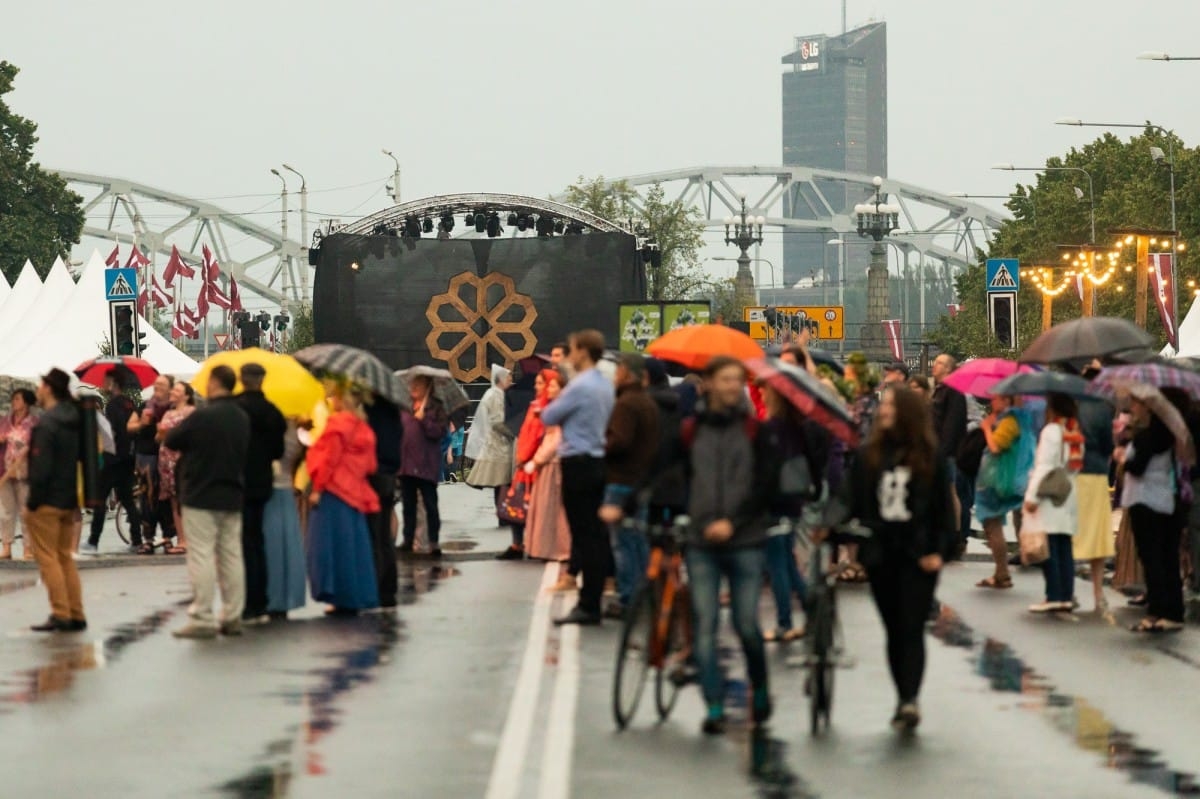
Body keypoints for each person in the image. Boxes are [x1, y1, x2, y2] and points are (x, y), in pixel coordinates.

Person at [829, 386, 955, 731]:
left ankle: (909, 698)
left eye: (889, 405)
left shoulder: (929, 457)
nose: (883, 410)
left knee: (911, 627)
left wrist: (938, 551)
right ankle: (903, 692)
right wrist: (833, 525)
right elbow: (850, 498)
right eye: (883, 404)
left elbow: (944, 512)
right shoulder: (871, 454)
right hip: (881, 553)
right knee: (893, 629)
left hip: (918, 555)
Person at [683, 356, 780, 734]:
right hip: (701, 540)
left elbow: (764, 487)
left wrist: (734, 521)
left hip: (745, 540)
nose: (730, 387)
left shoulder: (757, 433)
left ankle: (760, 685)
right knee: (705, 623)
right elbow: (672, 473)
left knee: (745, 624)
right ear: (707, 383)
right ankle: (713, 704)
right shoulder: (691, 431)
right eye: (723, 379)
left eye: (736, 380)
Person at [166, 365, 250, 639]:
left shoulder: (203, 416)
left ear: (214, 383)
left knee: (201, 554)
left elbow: (173, 439)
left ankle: (202, 616)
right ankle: (233, 614)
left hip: (201, 492)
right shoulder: (241, 417)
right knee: (231, 555)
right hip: (233, 493)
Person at [543, 330, 615, 626]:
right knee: (596, 534)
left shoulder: (579, 385)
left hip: (577, 462)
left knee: (583, 535)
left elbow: (549, 416)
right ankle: (594, 596)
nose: (569, 356)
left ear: (583, 352)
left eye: (572, 350)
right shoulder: (605, 384)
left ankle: (589, 604)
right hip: (599, 460)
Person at [760, 378, 830, 642]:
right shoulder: (800, 428)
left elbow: (764, 471)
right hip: (794, 501)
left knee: (778, 563)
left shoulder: (771, 429)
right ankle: (814, 611)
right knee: (787, 561)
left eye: (765, 390)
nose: (762, 394)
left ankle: (785, 621)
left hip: (775, 503)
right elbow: (812, 464)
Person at [306, 382, 380, 614]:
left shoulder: (337, 424)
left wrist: (317, 489)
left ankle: (339, 595)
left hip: (334, 490)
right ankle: (356, 595)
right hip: (355, 491)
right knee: (354, 546)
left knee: (331, 547)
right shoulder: (363, 427)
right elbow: (370, 465)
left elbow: (328, 459)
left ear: (342, 398)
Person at [24, 369, 87, 632]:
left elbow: (41, 468)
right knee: (64, 557)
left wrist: (32, 503)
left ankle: (60, 612)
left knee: (48, 558)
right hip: (67, 497)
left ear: (49, 388)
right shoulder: (74, 420)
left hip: (47, 500)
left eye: (41, 384)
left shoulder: (48, 423)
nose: (38, 389)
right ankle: (75, 612)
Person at [599, 353, 660, 618]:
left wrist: (603, 444)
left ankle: (627, 598)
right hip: (641, 480)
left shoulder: (625, 404)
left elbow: (620, 441)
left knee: (623, 544)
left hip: (622, 480)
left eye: (618, 371)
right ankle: (644, 595)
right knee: (638, 542)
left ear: (626, 373)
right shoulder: (647, 402)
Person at [1122, 393, 1184, 633]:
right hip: (1168, 501)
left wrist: (1122, 459)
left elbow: (1137, 468)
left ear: (1149, 407)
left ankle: (1157, 611)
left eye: (1136, 402)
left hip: (1145, 500)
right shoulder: (1173, 435)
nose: (1133, 407)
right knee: (1168, 558)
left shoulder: (1148, 437)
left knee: (1152, 558)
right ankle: (1173, 611)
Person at [1022, 393, 1083, 614]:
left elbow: (1044, 466)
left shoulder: (1051, 431)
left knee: (1050, 547)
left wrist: (1031, 497)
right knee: (1064, 546)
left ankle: (1054, 594)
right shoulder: (1074, 429)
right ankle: (1066, 594)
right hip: (1068, 492)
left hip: (1049, 494)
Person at [236, 363, 287, 624]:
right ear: (262, 380)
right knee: (259, 540)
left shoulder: (235, 409)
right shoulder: (272, 413)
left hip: (239, 480)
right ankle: (262, 600)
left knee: (244, 542)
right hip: (263, 481)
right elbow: (278, 452)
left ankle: (247, 603)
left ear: (241, 380)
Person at [975, 394, 1033, 589]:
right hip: (1003, 478)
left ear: (1007, 400)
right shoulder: (1013, 419)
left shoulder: (1010, 421)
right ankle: (1001, 572)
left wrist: (986, 429)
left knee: (992, 523)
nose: (992, 401)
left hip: (998, 479)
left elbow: (996, 447)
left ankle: (1002, 572)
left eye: (997, 398)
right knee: (993, 522)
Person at [83, 369, 142, 555]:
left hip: (113, 459)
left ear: (113, 383)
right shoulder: (129, 403)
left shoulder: (113, 406)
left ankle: (93, 540)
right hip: (127, 459)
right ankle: (137, 539)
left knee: (100, 499)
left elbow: (113, 432)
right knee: (128, 500)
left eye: (106, 380)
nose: (103, 383)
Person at [1075, 375, 1117, 612]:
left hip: (1075, 471)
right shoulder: (1102, 409)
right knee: (1098, 534)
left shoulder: (1073, 405)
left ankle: (1066, 590)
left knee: (1073, 531)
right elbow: (1108, 445)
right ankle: (1098, 591)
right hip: (1098, 472)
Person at [523, 370, 573, 565]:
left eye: (553, 385)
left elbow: (555, 438)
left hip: (553, 464)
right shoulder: (552, 407)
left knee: (553, 509)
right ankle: (550, 547)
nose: (547, 388)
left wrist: (537, 460)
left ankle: (558, 549)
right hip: (550, 462)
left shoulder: (559, 409)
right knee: (549, 509)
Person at [399, 375, 449, 557]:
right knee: (408, 506)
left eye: (418, 384)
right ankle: (407, 539)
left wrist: (424, 419)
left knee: (430, 505)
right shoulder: (405, 406)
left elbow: (440, 432)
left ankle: (434, 542)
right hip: (407, 465)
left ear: (427, 386)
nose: (413, 387)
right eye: (413, 383)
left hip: (426, 464)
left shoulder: (435, 407)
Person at [263, 420, 307, 618]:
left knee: (271, 544)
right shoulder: (296, 431)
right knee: (289, 544)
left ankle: (272, 594)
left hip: (271, 488)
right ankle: (288, 595)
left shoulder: (273, 428)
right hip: (287, 487)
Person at [128, 374, 174, 552]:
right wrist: (141, 423)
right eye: (156, 384)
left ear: (170, 388)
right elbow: (129, 426)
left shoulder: (173, 407)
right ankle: (148, 538)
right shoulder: (145, 406)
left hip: (167, 457)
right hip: (145, 457)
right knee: (146, 498)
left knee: (166, 498)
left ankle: (167, 537)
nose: (157, 386)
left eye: (162, 384)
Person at [365, 396, 402, 608]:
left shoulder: (373, 417)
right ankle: (389, 588)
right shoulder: (393, 415)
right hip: (389, 475)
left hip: (374, 477)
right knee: (385, 538)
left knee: (375, 534)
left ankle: (377, 585)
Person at [930, 354, 968, 555]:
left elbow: (952, 425)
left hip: (947, 453)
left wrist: (943, 452)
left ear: (948, 369)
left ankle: (954, 535)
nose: (934, 366)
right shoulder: (939, 390)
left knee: (951, 491)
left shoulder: (953, 391)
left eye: (940, 363)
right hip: (939, 450)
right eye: (935, 362)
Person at [156, 381, 196, 555]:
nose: (173, 392)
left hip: (183, 459)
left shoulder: (192, 413)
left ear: (186, 395)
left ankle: (190, 539)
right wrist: (160, 432)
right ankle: (181, 538)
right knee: (173, 500)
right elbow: (158, 438)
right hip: (166, 461)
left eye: (177, 390)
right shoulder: (168, 413)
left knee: (185, 498)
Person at [466, 365, 514, 497]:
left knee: (502, 485)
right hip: (498, 445)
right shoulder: (494, 395)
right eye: (509, 377)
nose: (511, 379)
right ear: (502, 378)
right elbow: (497, 421)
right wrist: (514, 432)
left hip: (499, 444)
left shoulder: (498, 394)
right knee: (501, 485)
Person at [0, 388, 37, 560]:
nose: (14, 402)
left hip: (25, 472)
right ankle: (6, 547)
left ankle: (28, 548)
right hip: (4, 470)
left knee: (26, 511)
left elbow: (35, 447)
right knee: (6, 512)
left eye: (17, 399)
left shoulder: (34, 423)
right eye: (13, 399)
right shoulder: (5, 421)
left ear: (26, 402)